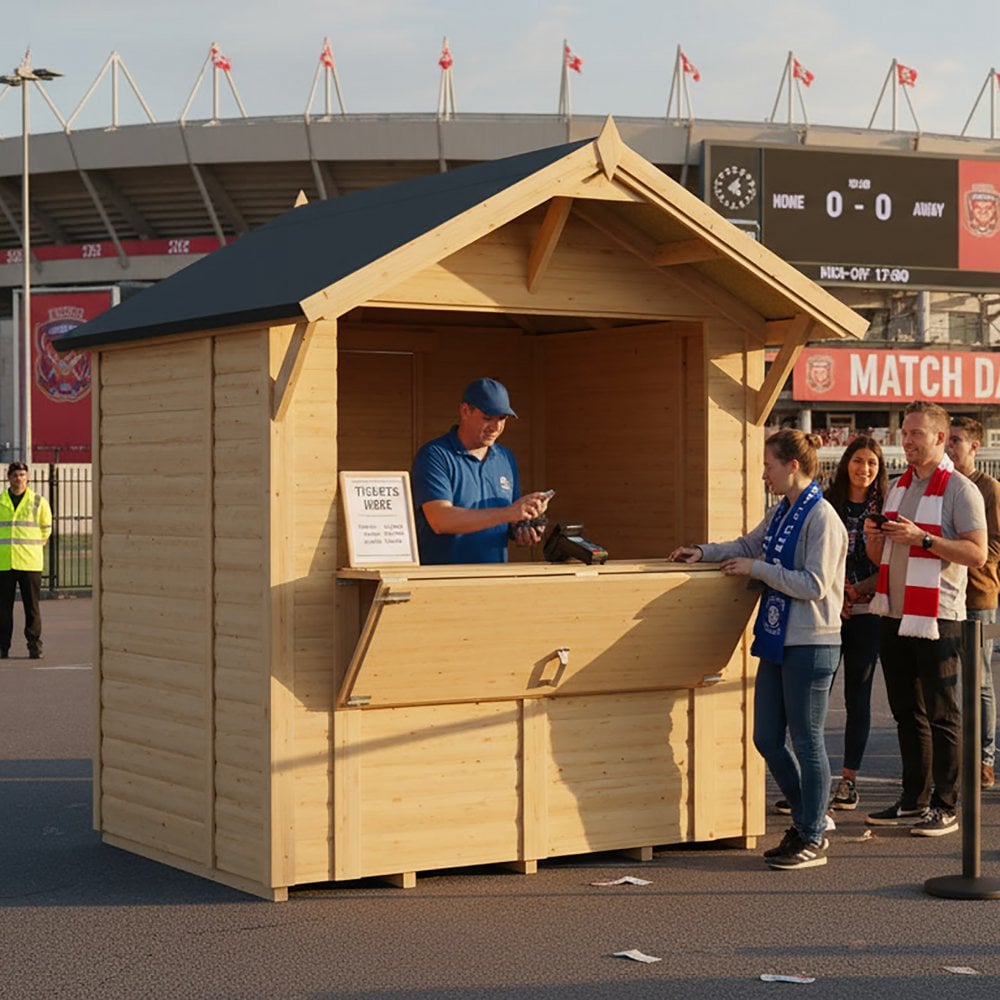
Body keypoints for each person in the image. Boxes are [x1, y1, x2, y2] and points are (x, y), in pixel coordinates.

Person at [670, 430, 847, 870]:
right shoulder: (781, 511)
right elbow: (749, 546)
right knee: (766, 736)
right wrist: (703, 551)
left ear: (792, 466)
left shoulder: (821, 517)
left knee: (807, 741)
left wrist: (759, 570)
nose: (763, 473)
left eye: (768, 465)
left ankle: (811, 833)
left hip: (812, 640)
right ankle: (809, 818)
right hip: (777, 637)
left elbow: (814, 583)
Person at [865, 401, 987, 837]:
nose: (907, 440)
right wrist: (873, 538)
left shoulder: (959, 489)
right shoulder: (897, 485)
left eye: (916, 433)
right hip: (893, 611)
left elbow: (976, 553)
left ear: (939, 437)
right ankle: (913, 798)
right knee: (905, 712)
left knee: (942, 712)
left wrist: (925, 539)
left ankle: (946, 803)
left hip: (939, 616)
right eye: (904, 431)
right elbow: (880, 557)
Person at [411, 377, 552, 565]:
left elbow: (508, 518)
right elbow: (440, 520)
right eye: (488, 418)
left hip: (492, 579)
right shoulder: (435, 455)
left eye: (502, 419)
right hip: (442, 579)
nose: (495, 427)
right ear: (465, 411)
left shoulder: (505, 458)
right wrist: (509, 513)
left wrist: (524, 525)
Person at [824, 435, 890, 811]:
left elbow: (891, 564)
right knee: (816, 698)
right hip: (828, 610)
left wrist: (857, 591)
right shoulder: (828, 503)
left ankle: (849, 781)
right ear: (846, 462)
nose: (863, 469)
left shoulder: (884, 509)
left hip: (866, 613)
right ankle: (807, 779)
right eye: (858, 461)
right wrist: (837, 595)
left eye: (871, 464)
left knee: (858, 699)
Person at [947, 415, 1000, 790]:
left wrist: (968, 557)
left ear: (974, 447)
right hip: (944, 594)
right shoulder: (943, 485)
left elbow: (994, 545)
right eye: (947, 440)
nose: (950, 446)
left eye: (956, 441)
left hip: (978, 595)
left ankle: (984, 758)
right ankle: (954, 756)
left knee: (979, 680)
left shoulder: (989, 488)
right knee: (946, 681)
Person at [0, 462, 53, 659]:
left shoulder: (38, 502)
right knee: (3, 609)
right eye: (15, 475)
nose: (18, 478)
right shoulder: (1, 501)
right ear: (9, 477)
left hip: (30, 562)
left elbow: (46, 528)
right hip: (4, 562)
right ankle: (2, 646)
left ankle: (34, 645)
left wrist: (36, 545)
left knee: (32, 608)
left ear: (27, 477)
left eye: (22, 475)